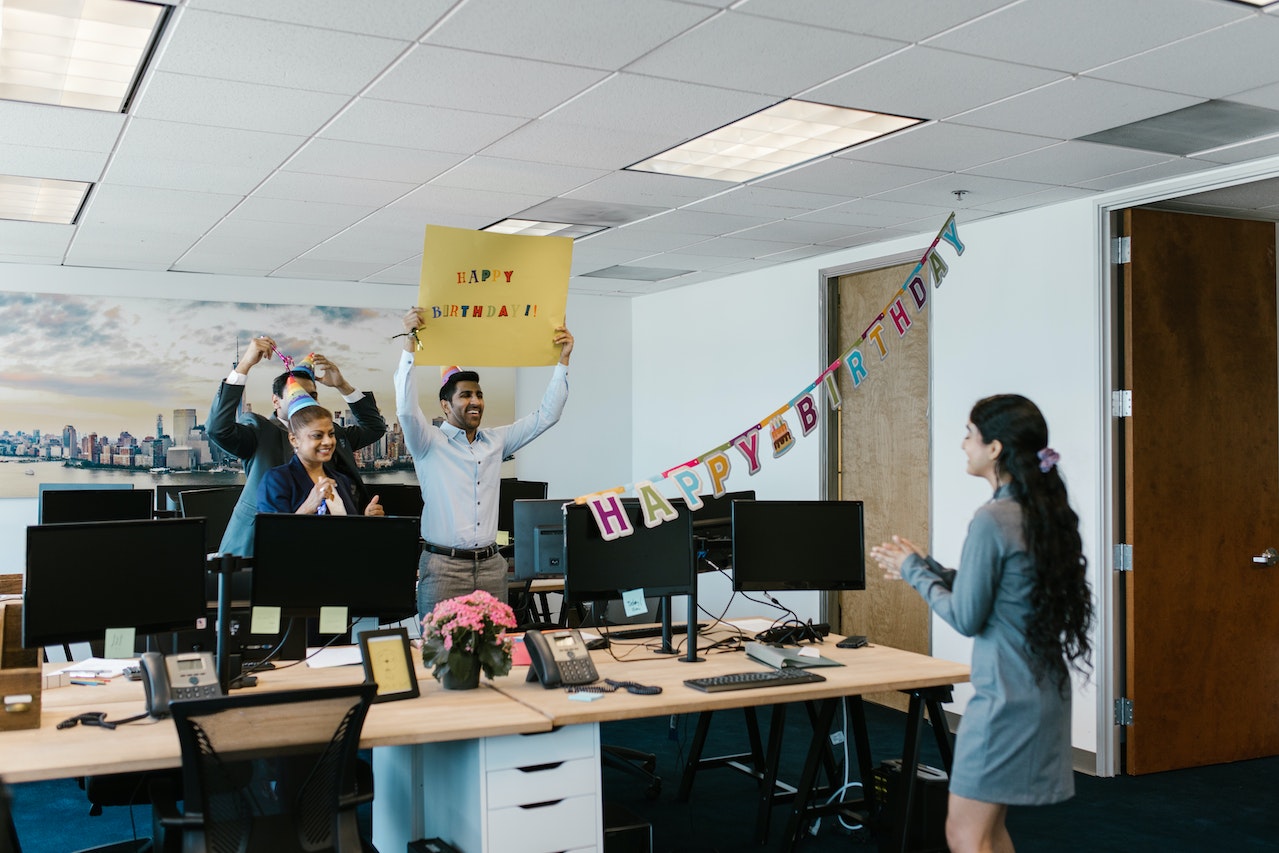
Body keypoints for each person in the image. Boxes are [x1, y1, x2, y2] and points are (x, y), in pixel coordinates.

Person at [869, 394, 1093, 853]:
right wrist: (926, 565)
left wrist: (914, 572)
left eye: (969, 435)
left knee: (966, 833)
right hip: (1040, 690)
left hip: (1005, 700)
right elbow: (999, 588)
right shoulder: (1038, 511)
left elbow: (967, 616)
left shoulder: (992, 518)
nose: (963, 444)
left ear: (994, 448)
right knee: (988, 832)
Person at [395, 306, 573, 617]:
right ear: (445, 405)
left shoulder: (496, 441)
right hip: (444, 567)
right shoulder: (428, 443)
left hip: (492, 566)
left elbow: (547, 416)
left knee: (496, 651)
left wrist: (563, 361)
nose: (475, 401)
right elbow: (407, 411)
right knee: (439, 652)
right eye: (465, 395)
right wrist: (409, 345)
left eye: (478, 394)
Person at [207, 335, 387, 555]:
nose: (326, 441)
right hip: (260, 552)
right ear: (276, 401)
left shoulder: (333, 435)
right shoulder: (259, 431)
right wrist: (245, 364)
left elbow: (374, 428)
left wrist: (343, 385)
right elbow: (217, 429)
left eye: (312, 394)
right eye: (297, 394)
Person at [257, 377, 386, 517]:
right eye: (317, 436)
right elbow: (273, 535)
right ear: (294, 440)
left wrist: (366, 520)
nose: (328, 442)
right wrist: (308, 507)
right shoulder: (277, 480)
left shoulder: (341, 481)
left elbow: (348, 532)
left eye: (331, 434)